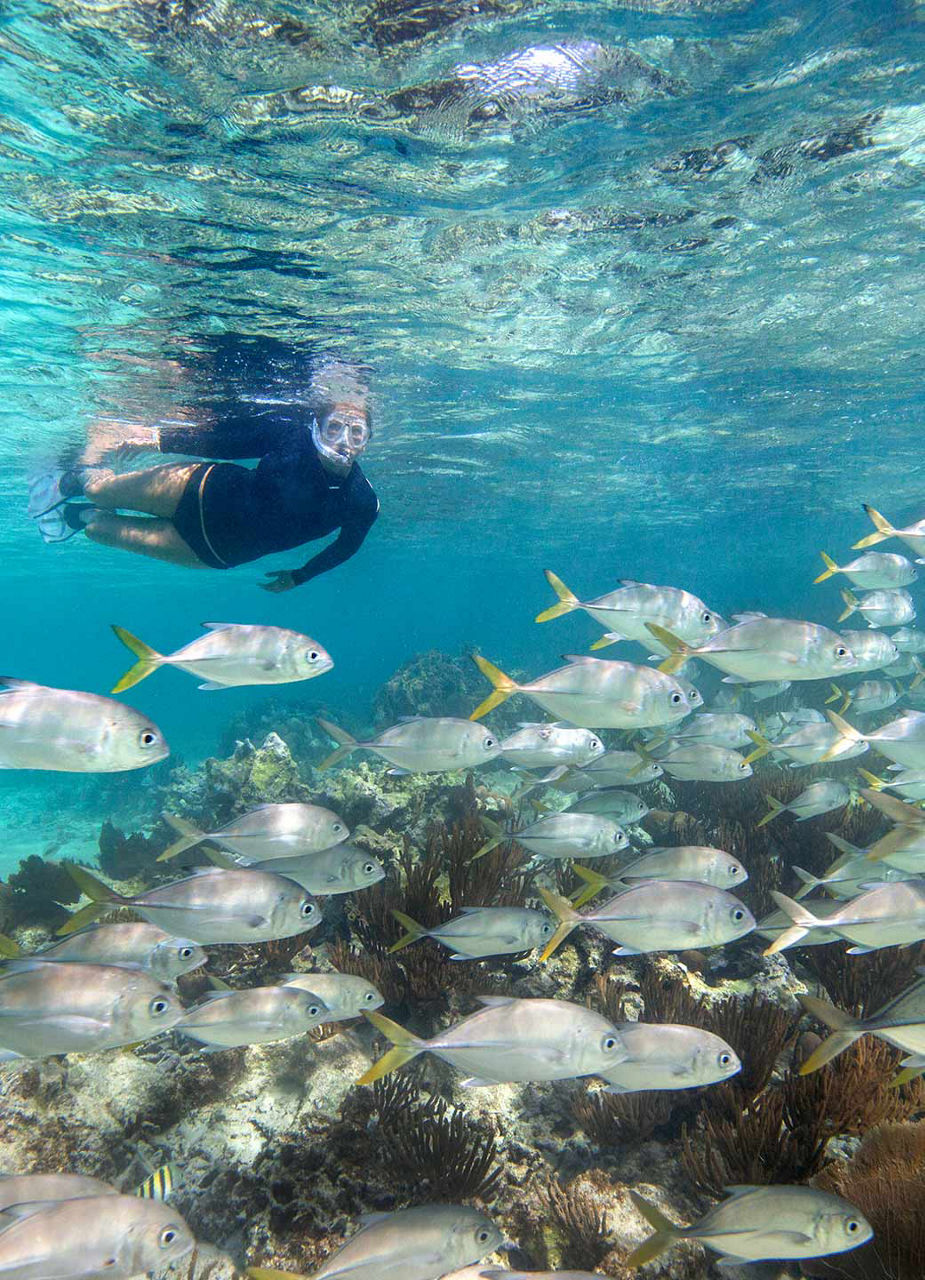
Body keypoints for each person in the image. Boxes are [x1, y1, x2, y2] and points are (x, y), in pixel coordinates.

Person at [28, 358, 379, 593]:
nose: (344, 442)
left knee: (98, 531)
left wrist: (300, 577)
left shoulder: (362, 501)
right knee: (103, 492)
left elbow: (347, 547)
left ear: (367, 441)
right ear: (317, 426)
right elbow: (224, 442)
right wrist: (157, 439)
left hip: (214, 551)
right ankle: (75, 479)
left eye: (356, 433)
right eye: (335, 428)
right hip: (198, 488)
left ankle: (78, 515)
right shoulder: (293, 436)